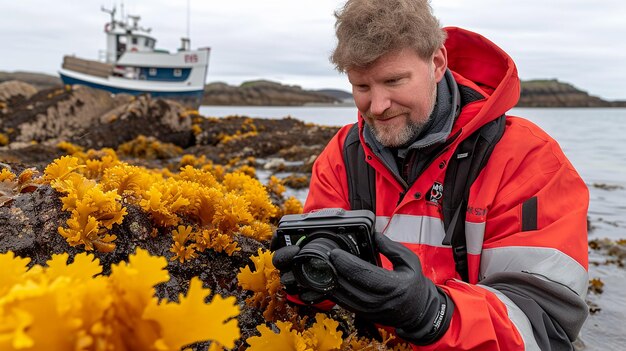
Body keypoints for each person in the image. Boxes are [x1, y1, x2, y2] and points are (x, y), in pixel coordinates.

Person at [272, 0, 589, 349]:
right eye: (362, 87)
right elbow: (323, 280)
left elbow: (546, 326)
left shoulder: (528, 158)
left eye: (394, 80)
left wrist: (432, 314)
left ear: (436, 63)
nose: (377, 106)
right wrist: (306, 283)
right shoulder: (342, 156)